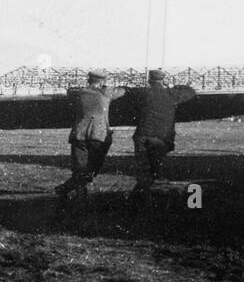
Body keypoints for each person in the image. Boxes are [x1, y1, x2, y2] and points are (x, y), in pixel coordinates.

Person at [56, 71, 122, 205]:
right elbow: (122, 91)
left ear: (89, 80)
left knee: (79, 167)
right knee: (93, 168)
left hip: (79, 134)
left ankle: (70, 191)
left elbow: (70, 92)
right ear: (102, 82)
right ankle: (75, 193)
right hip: (98, 135)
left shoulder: (79, 93)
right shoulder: (106, 93)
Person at [131, 69, 196, 198]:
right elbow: (191, 91)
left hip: (143, 136)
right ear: (163, 80)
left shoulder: (143, 94)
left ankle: (140, 198)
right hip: (161, 137)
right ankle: (156, 197)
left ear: (149, 81)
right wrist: (172, 86)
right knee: (156, 168)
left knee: (143, 169)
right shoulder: (171, 94)